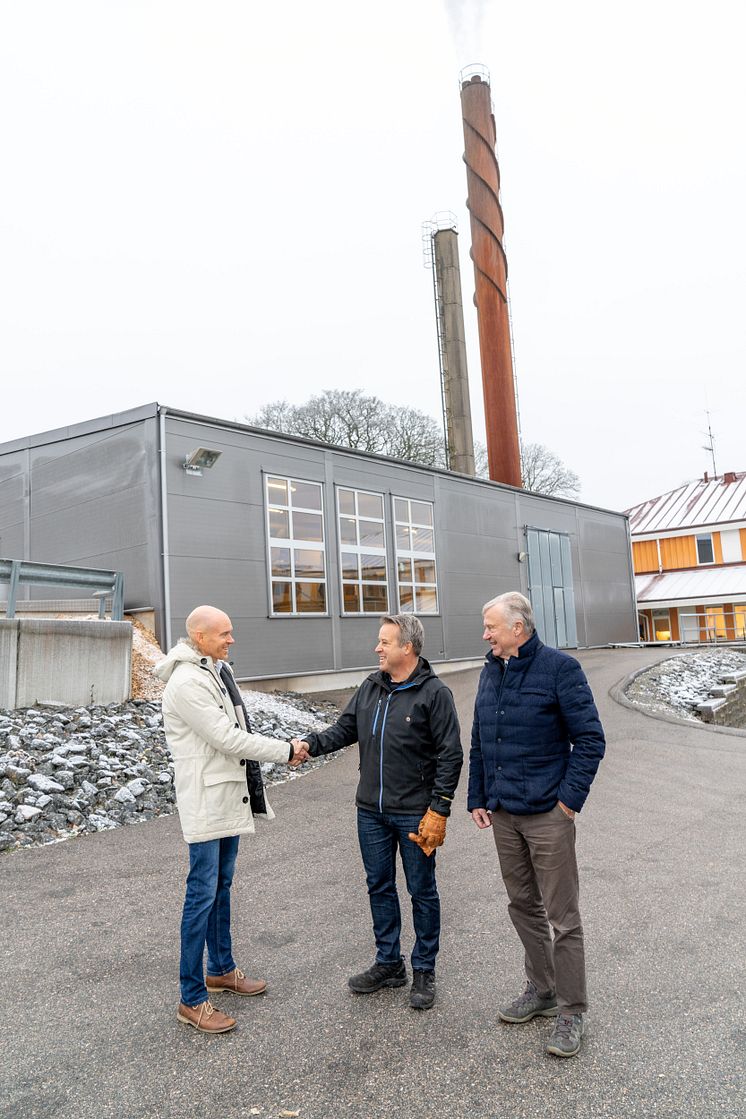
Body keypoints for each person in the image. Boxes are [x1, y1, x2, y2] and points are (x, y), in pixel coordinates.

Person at [292, 614, 462, 1011]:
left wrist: (440, 809)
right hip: (371, 811)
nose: (377, 648)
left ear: (408, 647)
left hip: (415, 814)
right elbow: (344, 730)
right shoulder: (372, 687)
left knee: (421, 890)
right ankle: (389, 964)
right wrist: (308, 745)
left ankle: (423, 969)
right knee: (379, 886)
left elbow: (450, 755)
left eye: (385, 641)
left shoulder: (435, 694)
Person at [155, 605, 309, 1034]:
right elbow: (226, 737)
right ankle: (191, 999)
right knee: (201, 895)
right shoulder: (187, 682)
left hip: (227, 797)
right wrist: (285, 749)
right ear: (200, 637)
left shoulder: (215, 671)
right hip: (207, 801)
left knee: (220, 887)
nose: (231, 639)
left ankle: (220, 968)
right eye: (224, 633)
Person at [468, 592, 605, 1058]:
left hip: (548, 813)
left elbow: (590, 740)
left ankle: (571, 1010)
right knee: (522, 905)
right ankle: (542, 990)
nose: (485, 634)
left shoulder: (559, 670)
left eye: (491, 627)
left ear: (518, 628)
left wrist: (567, 803)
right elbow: (481, 740)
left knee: (563, 918)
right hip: (504, 812)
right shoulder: (492, 670)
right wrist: (478, 797)